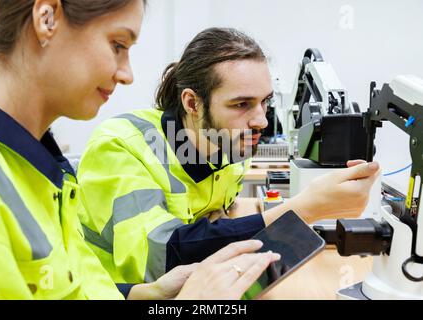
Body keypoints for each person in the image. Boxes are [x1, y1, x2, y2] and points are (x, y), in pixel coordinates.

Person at [0, 0, 281, 300]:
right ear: (46, 18)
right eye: (117, 45)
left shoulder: (44, 169)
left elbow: (72, 288)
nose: (127, 74)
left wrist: (144, 295)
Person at [77, 27, 381, 285]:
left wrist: (210, 228)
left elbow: (216, 214)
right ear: (193, 103)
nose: (261, 120)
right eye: (241, 105)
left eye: (264, 102)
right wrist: (300, 210)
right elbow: (160, 260)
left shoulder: (228, 146)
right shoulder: (120, 146)